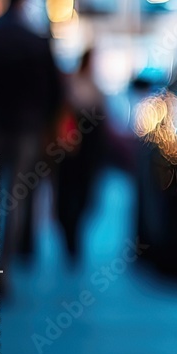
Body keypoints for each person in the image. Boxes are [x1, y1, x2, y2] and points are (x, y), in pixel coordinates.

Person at [0, 0, 64, 272]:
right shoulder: (36, 41)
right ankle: (3, 269)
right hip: (26, 131)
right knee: (15, 200)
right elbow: (54, 92)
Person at [56, 49, 106, 266]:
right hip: (71, 150)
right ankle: (69, 235)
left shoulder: (94, 87)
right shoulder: (75, 85)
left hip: (87, 153)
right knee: (67, 193)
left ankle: (73, 234)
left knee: (84, 195)